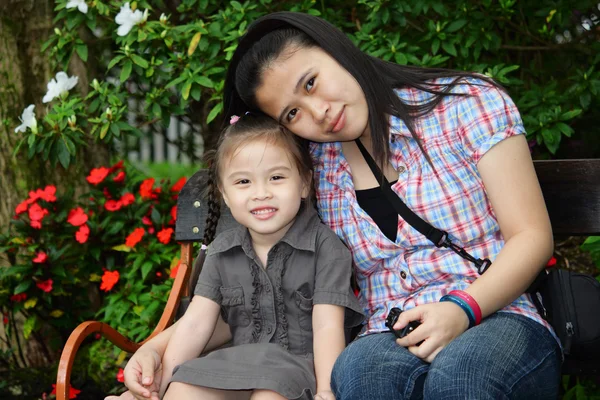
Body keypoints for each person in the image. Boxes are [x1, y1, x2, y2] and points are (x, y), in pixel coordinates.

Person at [110, 11, 562, 400]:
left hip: (500, 314)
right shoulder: (312, 170)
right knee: (359, 375)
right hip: (388, 332)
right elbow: (259, 290)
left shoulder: (465, 104)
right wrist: (156, 347)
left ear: (334, 49)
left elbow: (532, 236)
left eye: (311, 82)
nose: (318, 111)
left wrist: (462, 309)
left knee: (462, 377)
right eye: (292, 113)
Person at [156, 113, 363, 400]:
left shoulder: (326, 249)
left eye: (276, 177)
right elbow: (195, 324)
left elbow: (327, 326)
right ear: (225, 195)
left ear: (304, 183)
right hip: (236, 364)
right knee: (181, 392)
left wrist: (328, 390)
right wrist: (159, 386)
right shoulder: (221, 251)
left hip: (297, 371)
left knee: (268, 395)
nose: (261, 193)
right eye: (243, 182)